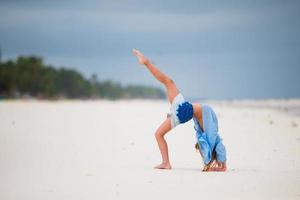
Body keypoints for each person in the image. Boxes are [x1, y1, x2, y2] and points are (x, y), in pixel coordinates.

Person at [132, 49, 227, 172]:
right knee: (168, 82)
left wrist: (221, 164)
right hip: (184, 110)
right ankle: (166, 162)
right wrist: (222, 163)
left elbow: (216, 142)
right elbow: (215, 141)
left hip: (183, 110)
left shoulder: (209, 131)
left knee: (168, 82)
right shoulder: (208, 130)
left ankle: (166, 163)